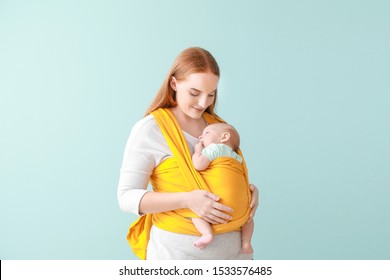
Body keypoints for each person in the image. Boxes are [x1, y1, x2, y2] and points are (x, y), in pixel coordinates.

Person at [117, 47, 259, 260]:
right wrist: (187, 200)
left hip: (236, 256)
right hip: (178, 257)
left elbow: (226, 173)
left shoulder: (219, 128)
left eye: (211, 94)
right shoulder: (151, 129)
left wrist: (249, 191)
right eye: (195, 93)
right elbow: (126, 197)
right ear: (174, 84)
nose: (204, 103)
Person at [191, 123, 254, 254]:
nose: (201, 136)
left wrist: (198, 150)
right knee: (248, 219)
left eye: (206, 133)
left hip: (219, 203)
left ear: (224, 137)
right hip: (240, 210)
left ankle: (207, 233)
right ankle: (247, 242)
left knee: (194, 214)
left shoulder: (214, 148)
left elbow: (198, 165)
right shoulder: (238, 158)